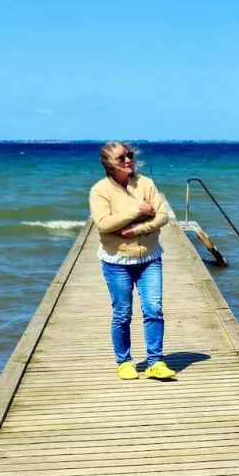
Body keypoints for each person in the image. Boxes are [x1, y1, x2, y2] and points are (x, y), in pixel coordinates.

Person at [89, 141, 176, 380]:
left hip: (149, 258)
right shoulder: (100, 191)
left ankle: (155, 362)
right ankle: (124, 362)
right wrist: (137, 210)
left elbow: (162, 216)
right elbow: (104, 224)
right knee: (122, 313)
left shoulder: (145, 184)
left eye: (129, 155)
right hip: (116, 261)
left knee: (154, 309)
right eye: (121, 158)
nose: (128, 160)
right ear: (108, 163)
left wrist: (136, 230)